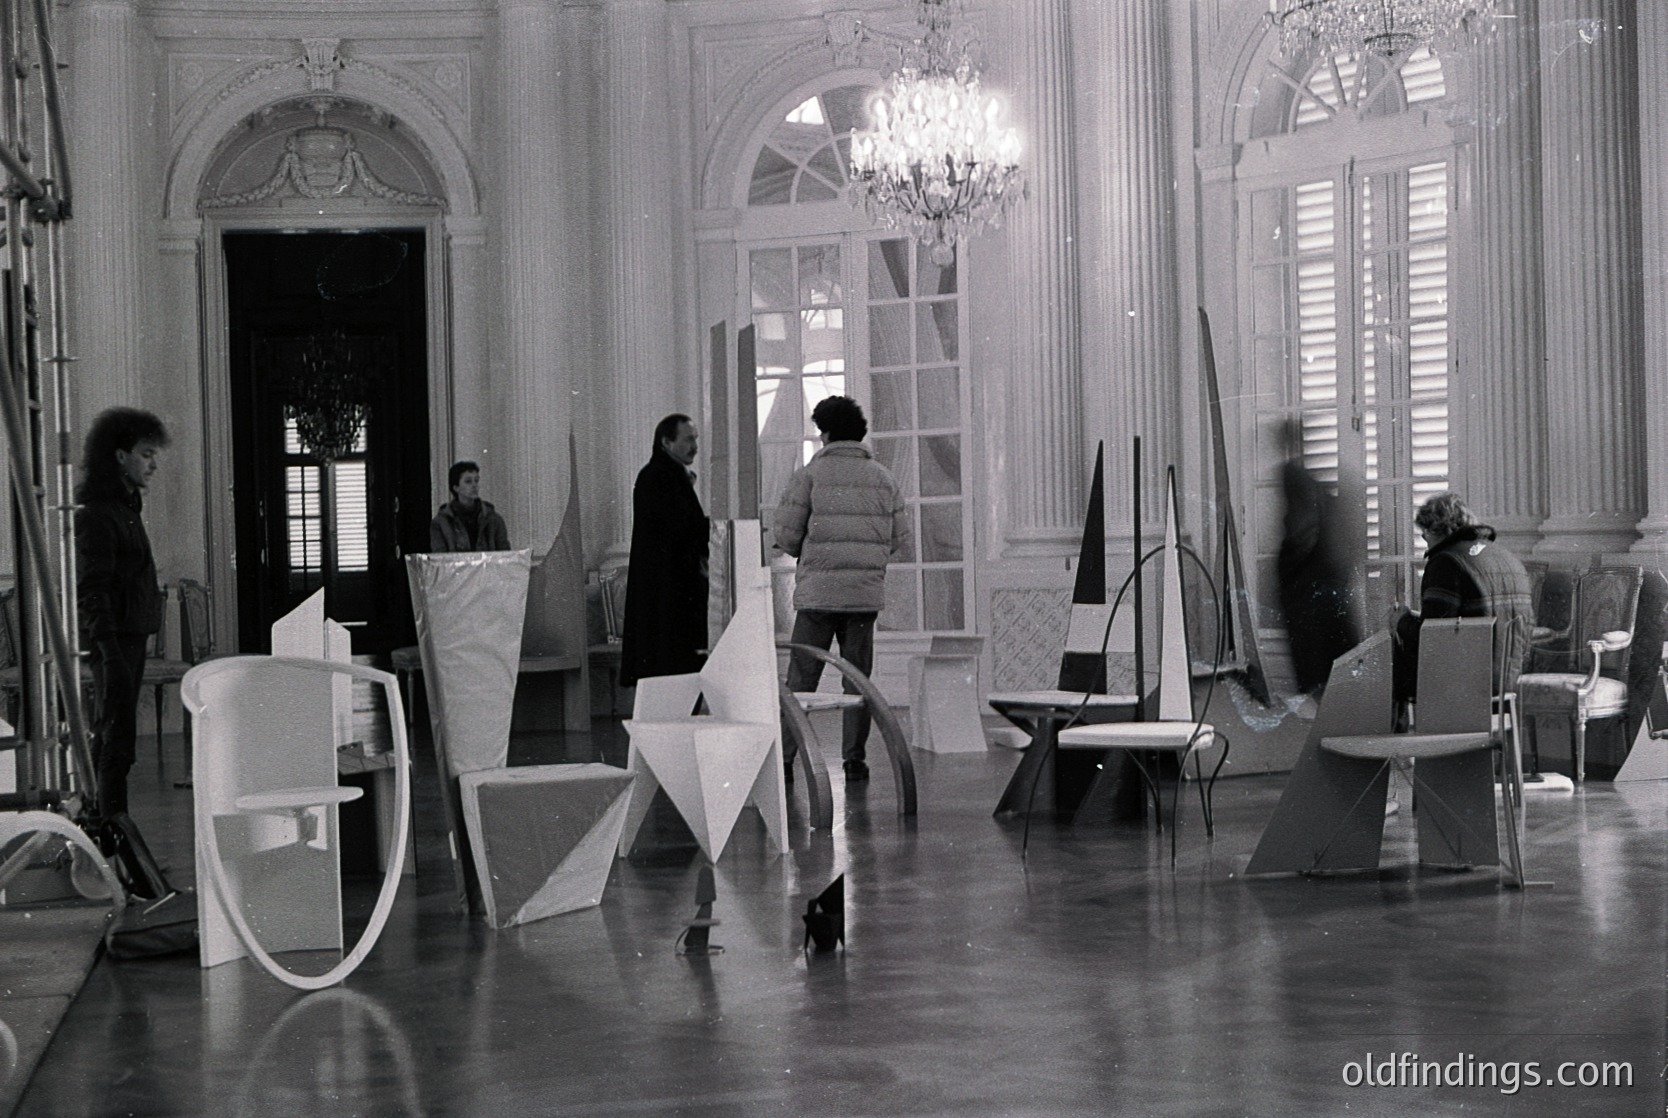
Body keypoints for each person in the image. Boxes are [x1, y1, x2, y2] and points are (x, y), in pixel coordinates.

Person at [772, 396, 908, 782]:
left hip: (818, 594)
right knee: (858, 678)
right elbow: (898, 537)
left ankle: (785, 759)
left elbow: (786, 535)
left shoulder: (809, 476)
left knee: (801, 679)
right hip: (863, 597)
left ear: (826, 432)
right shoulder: (883, 477)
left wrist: (809, 554)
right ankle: (854, 760)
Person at [75, 407, 170, 834]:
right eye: (146, 454)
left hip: (126, 640)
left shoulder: (124, 508)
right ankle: (106, 835)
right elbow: (92, 590)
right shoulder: (99, 514)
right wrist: (110, 654)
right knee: (113, 740)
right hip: (115, 644)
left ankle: (114, 831)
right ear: (119, 456)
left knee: (119, 741)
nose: (152, 464)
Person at [1393, 491, 1534, 708]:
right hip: (1508, 682)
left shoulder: (1446, 561)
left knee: (1386, 662)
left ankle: (1399, 739)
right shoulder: (1508, 558)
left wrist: (1400, 620)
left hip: (1465, 687)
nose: (1425, 541)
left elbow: (1432, 636)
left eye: (1424, 534)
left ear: (1435, 529)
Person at [619, 414, 709, 689]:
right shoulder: (660, 477)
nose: (695, 446)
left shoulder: (664, 474)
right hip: (668, 589)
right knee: (670, 663)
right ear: (667, 442)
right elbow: (681, 526)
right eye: (688, 439)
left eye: (695, 438)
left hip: (668, 586)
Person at [1274, 419, 1361, 696]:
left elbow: (1302, 530)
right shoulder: (1323, 485)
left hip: (1312, 588)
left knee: (1316, 669)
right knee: (1338, 663)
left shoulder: (1294, 475)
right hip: (1336, 580)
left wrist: (1283, 571)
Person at [429, 460, 510, 551]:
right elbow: (440, 558)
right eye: (468, 481)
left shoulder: (493, 519)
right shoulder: (441, 523)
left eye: (476, 480)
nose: (474, 485)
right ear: (456, 487)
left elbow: (505, 555)